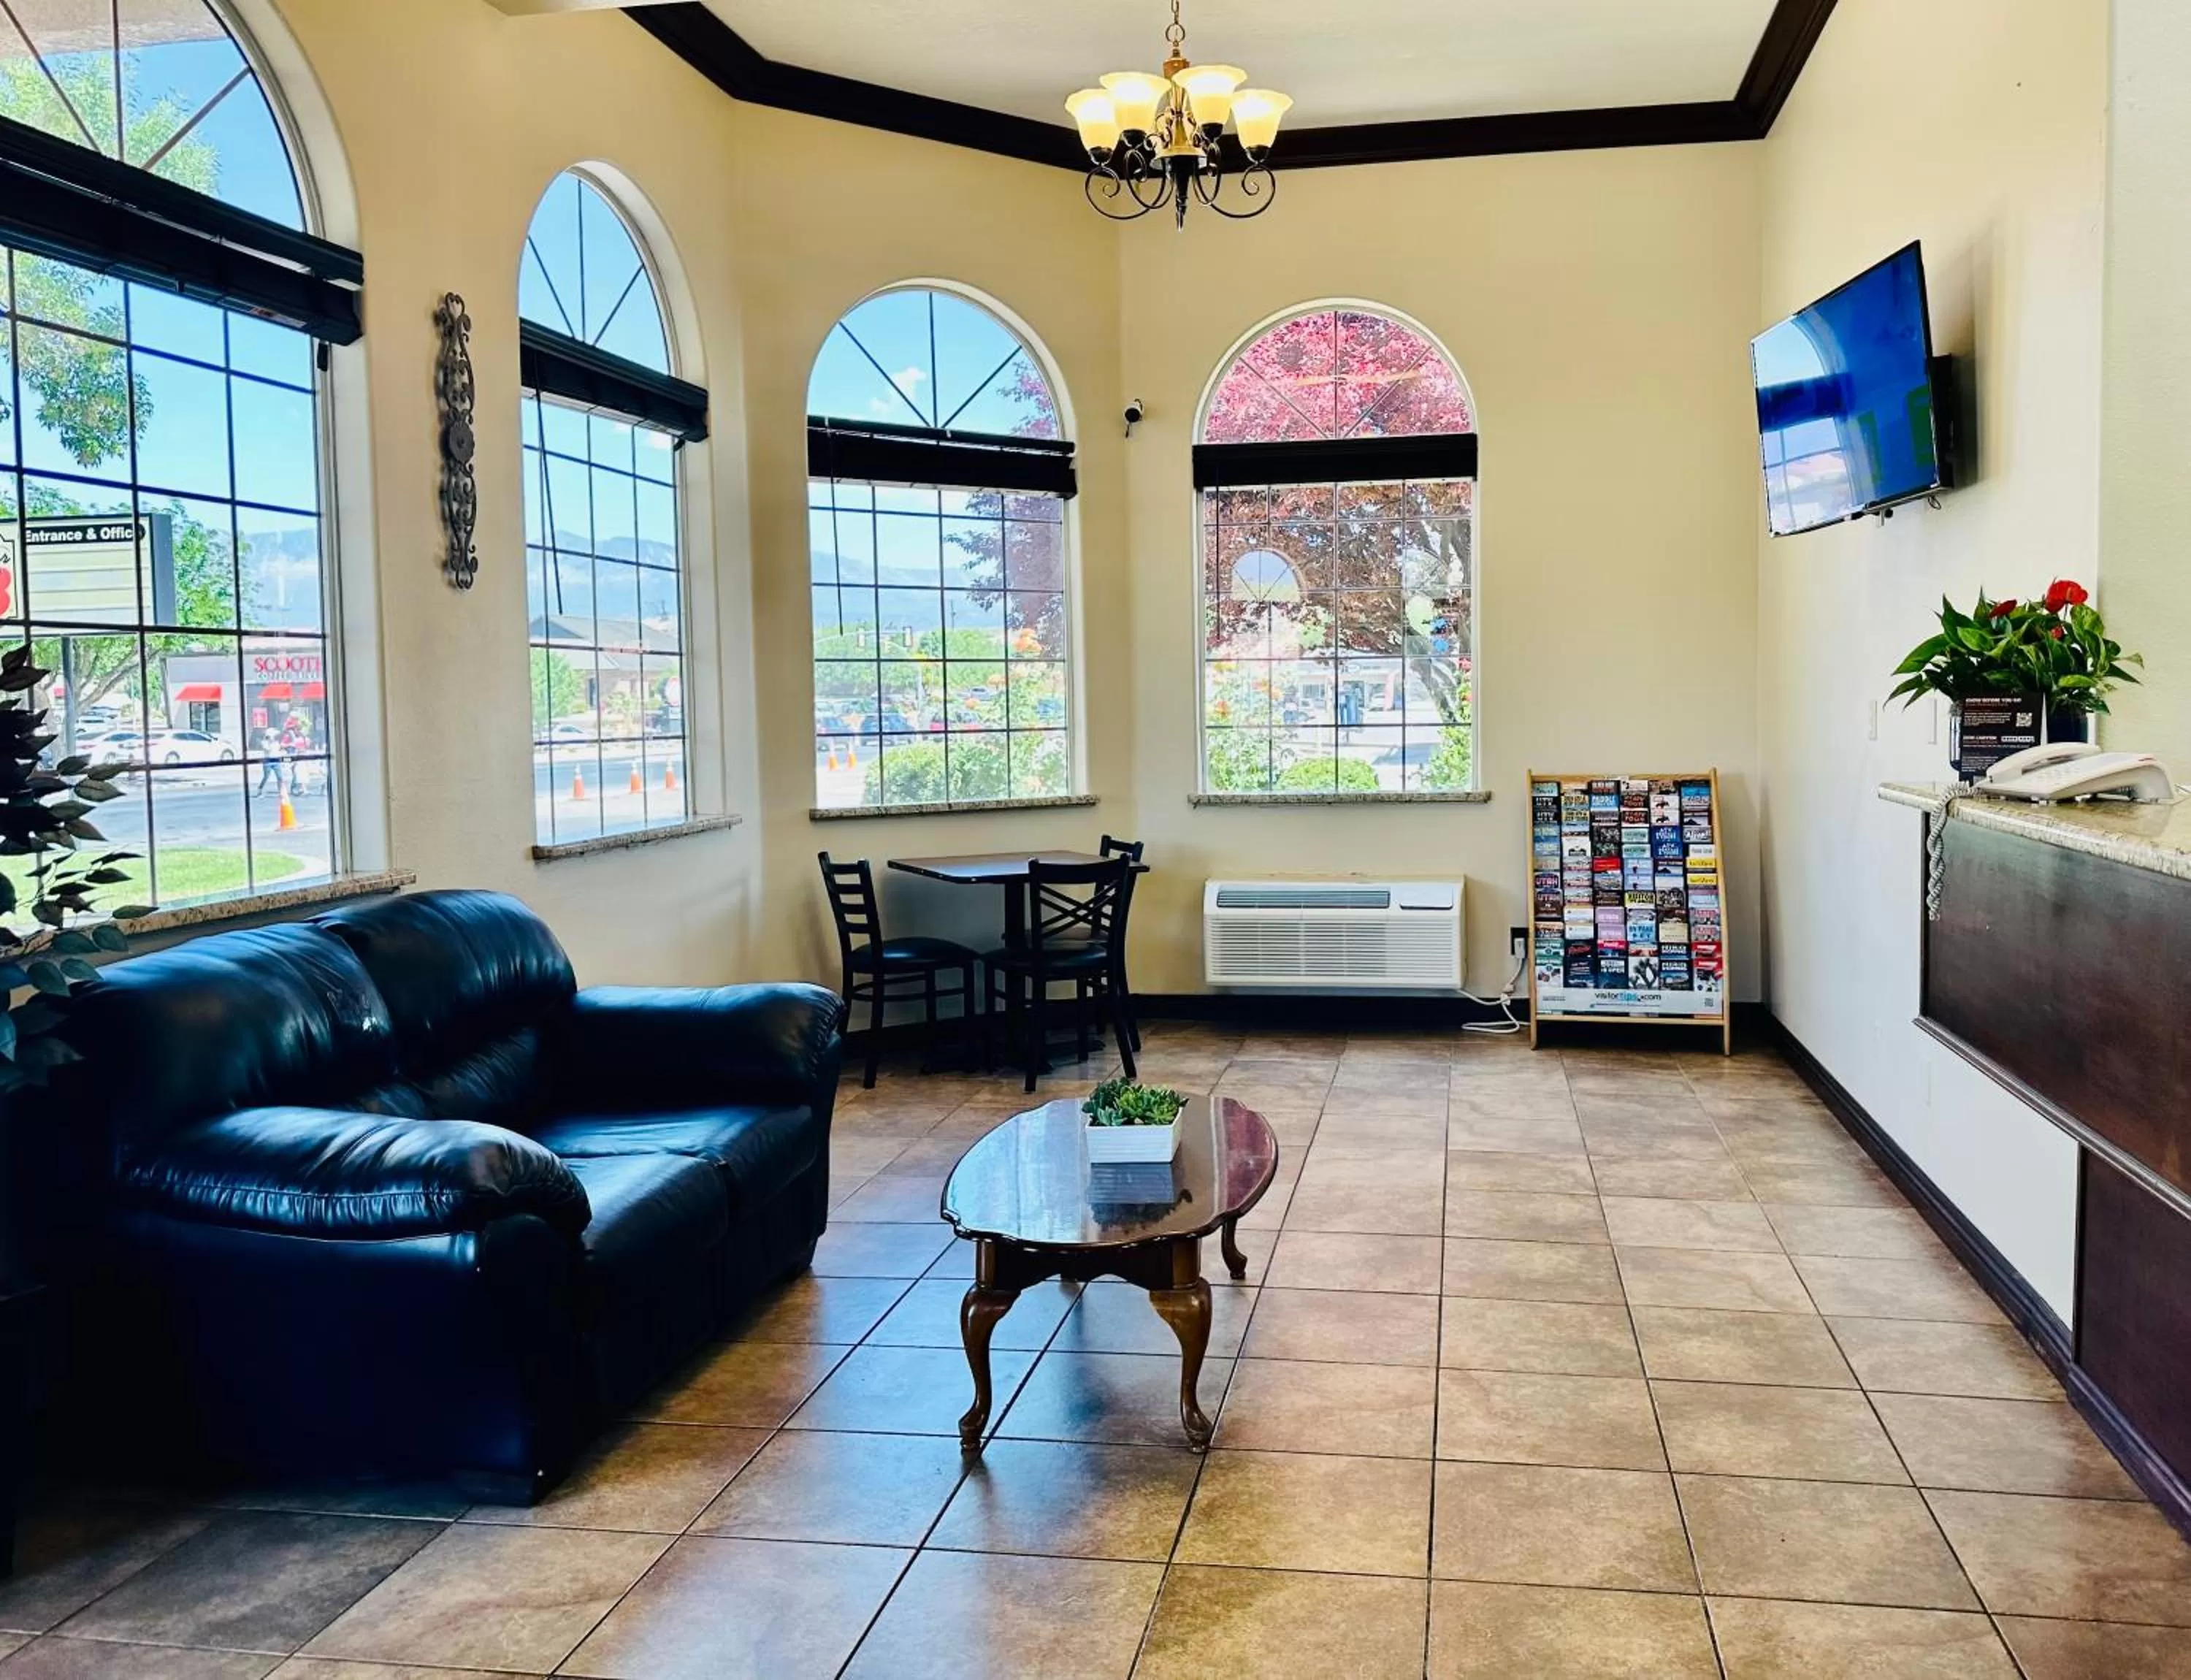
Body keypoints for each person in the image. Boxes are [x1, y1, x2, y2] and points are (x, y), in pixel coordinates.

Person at [255, 725, 285, 795]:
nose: (274, 737)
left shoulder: (276, 743)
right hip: (268, 761)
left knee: (280, 777)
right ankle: (260, 789)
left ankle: (281, 791)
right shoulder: (264, 743)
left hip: (276, 761)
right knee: (266, 777)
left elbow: (279, 750)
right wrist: (270, 742)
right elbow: (268, 750)